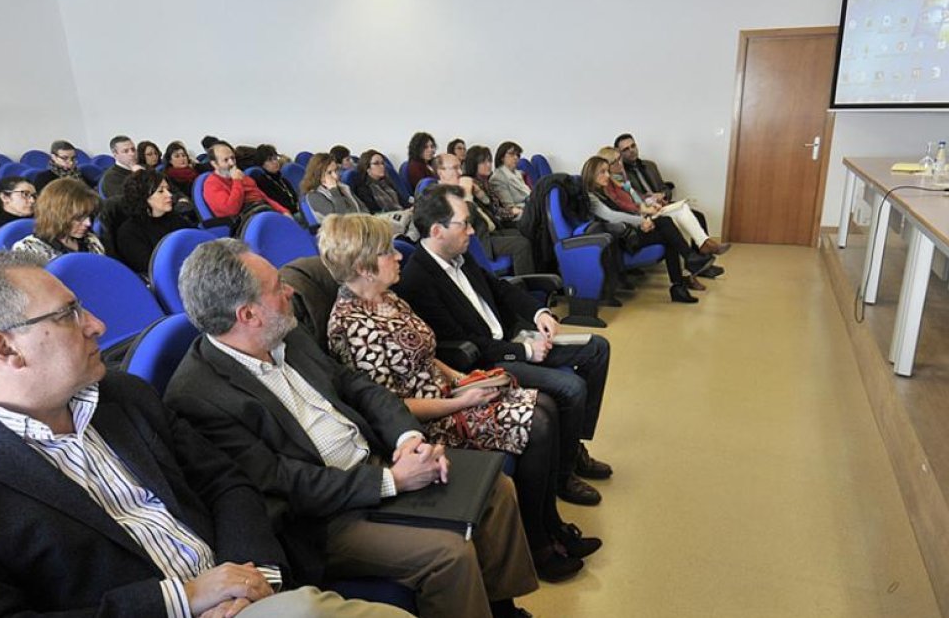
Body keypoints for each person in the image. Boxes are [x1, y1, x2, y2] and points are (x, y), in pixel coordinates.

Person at [0, 253, 407, 618]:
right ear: (6, 348)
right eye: (68, 315)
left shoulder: (122, 395)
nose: (97, 326)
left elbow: (226, 482)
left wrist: (253, 579)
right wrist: (181, 600)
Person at [165, 239, 538, 618]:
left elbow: (355, 385)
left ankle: (502, 608)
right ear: (247, 315)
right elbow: (280, 481)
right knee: (449, 554)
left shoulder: (286, 334)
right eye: (278, 287)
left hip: (376, 462)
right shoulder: (198, 396)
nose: (291, 290)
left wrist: (408, 438)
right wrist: (392, 481)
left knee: (497, 488)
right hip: (324, 518)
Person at [319, 214, 599, 582]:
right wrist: (462, 402)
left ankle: (551, 526)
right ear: (363, 267)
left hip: (448, 393)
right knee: (539, 421)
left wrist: (463, 379)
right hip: (426, 423)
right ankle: (538, 543)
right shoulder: (350, 326)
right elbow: (387, 406)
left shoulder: (388, 299)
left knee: (544, 403)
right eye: (388, 252)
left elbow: (426, 352)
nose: (399, 256)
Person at [396, 185, 614, 506]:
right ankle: (564, 476)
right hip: (485, 364)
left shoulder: (460, 254)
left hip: (510, 340)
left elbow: (500, 288)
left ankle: (573, 446)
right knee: (571, 387)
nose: (472, 230)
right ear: (437, 230)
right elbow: (468, 348)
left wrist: (538, 312)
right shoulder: (419, 280)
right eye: (464, 224)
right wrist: (525, 351)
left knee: (598, 347)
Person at [582, 156, 716, 303]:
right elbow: (611, 216)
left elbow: (623, 212)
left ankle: (679, 285)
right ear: (591, 173)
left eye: (607, 171)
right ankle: (688, 261)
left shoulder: (602, 192)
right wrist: (641, 221)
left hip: (626, 232)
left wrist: (643, 221)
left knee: (668, 234)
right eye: (602, 172)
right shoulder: (590, 197)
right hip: (619, 240)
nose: (607, 175)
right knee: (666, 225)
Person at [597, 146, 730, 256]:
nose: (620, 163)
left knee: (683, 208)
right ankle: (702, 248)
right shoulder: (610, 183)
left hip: (648, 209)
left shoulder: (623, 177)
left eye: (619, 159)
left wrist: (651, 201)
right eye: (615, 162)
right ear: (607, 165)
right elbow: (621, 206)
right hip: (639, 218)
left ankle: (704, 246)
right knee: (678, 215)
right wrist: (644, 208)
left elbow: (638, 196)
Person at [446, 148, 534, 274]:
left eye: (489, 161)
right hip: (482, 237)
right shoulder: (467, 185)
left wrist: (481, 194)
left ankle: (537, 278)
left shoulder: (484, 183)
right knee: (522, 243)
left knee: (525, 232)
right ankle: (526, 286)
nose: (488, 165)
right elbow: (471, 217)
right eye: (483, 162)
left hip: (493, 229)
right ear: (473, 164)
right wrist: (470, 193)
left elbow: (493, 207)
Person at [114, 170, 194, 275]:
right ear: (143, 196)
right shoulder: (130, 232)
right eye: (161, 191)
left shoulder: (177, 219)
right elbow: (151, 267)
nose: (169, 195)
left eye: (168, 189)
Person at [12, 178, 105, 261]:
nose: (88, 223)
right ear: (56, 215)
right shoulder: (28, 250)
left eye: (90, 216)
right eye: (79, 218)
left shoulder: (92, 241)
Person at [203, 142, 290, 220]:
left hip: (262, 210)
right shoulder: (212, 184)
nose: (232, 163)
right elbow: (231, 210)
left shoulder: (242, 176)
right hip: (245, 220)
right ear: (214, 164)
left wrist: (283, 211)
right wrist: (237, 181)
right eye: (226, 160)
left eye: (233, 158)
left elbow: (263, 197)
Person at [302, 153, 367, 221]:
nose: (336, 176)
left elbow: (362, 208)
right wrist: (334, 191)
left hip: (359, 226)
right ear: (318, 175)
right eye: (329, 173)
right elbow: (339, 218)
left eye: (336, 170)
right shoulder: (314, 195)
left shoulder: (343, 187)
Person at [614, 133, 675, 201]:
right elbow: (628, 200)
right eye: (626, 149)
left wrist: (663, 195)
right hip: (644, 209)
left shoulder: (650, 165)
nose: (631, 150)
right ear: (619, 154)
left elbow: (665, 189)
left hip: (663, 206)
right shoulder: (620, 175)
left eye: (633, 146)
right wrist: (646, 198)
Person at [252, 144, 301, 215]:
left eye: (275, 158)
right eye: (270, 160)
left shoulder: (282, 179)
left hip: (295, 212)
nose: (275, 162)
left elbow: (294, 197)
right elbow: (275, 203)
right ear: (261, 164)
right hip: (283, 215)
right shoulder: (262, 182)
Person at [488, 142, 530, 210]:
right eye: (512, 154)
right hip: (523, 212)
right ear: (502, 157)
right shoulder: (498, 178)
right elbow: (509, 206)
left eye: (518, 155)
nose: (516, 157)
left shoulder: (518, 173)